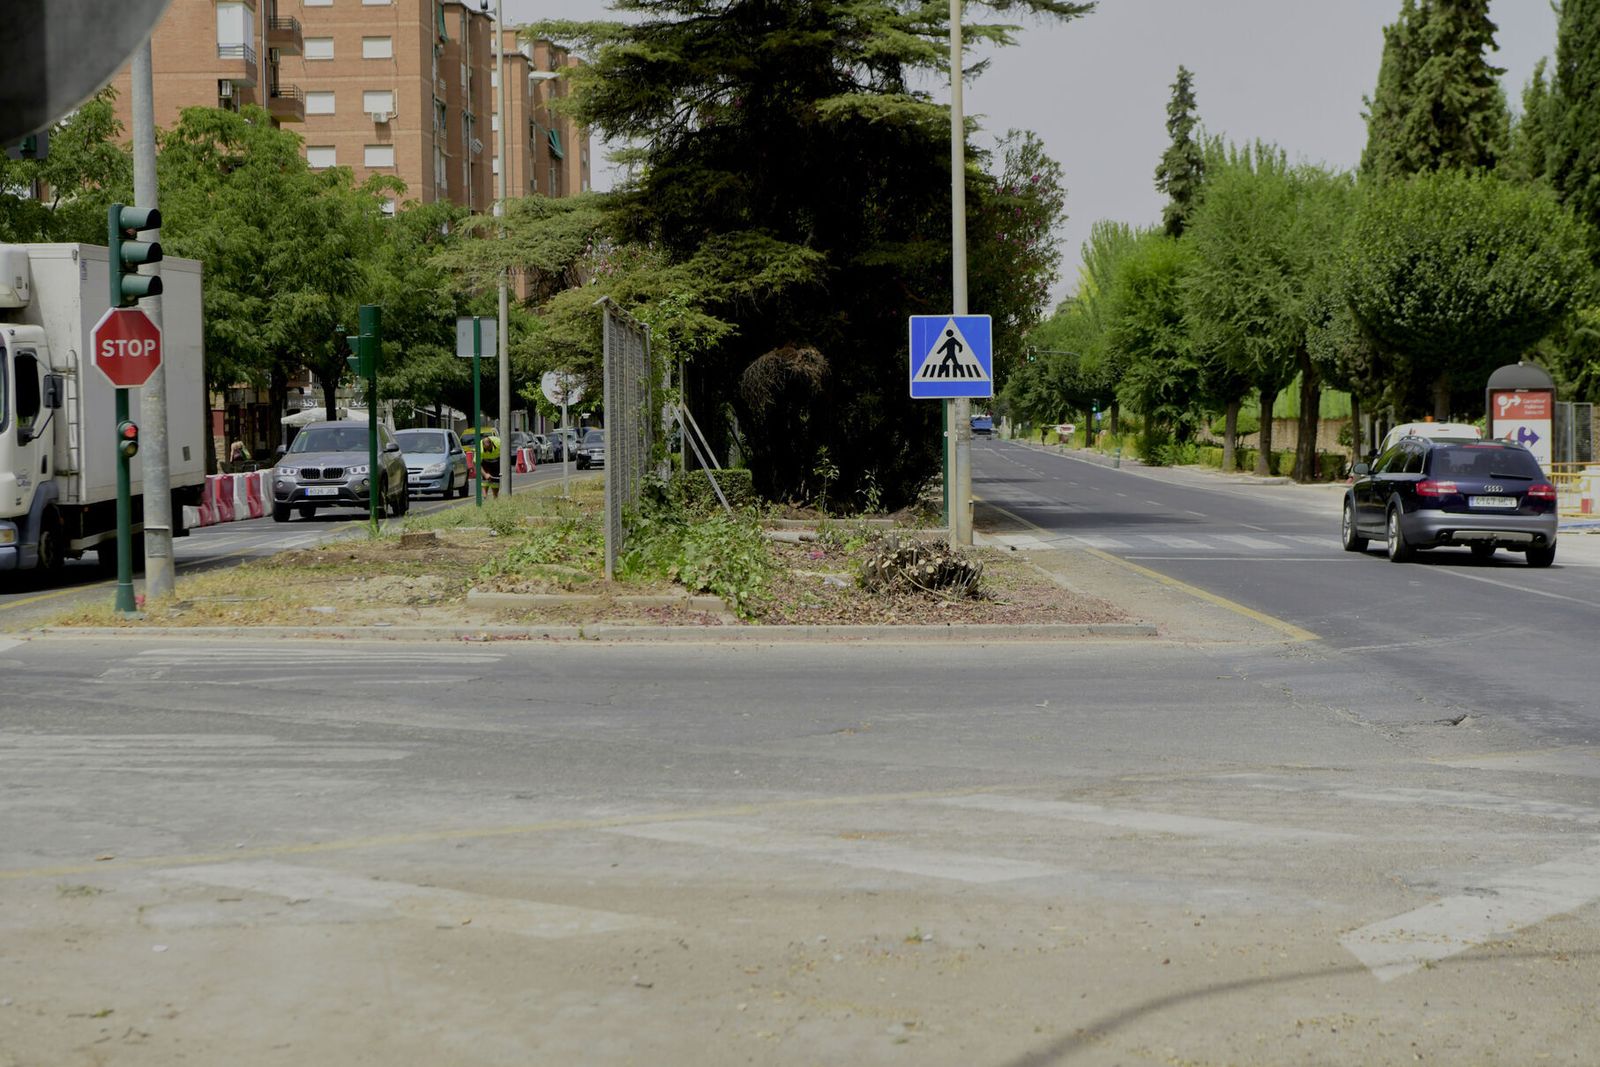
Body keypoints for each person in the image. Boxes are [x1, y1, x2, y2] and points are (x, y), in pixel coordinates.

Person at [478, 431, 502, 498]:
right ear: (483, 445)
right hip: (485, 462)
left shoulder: (498, 443)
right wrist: (485, 474)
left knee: (495, 483)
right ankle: (485, 498)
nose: (488, 451)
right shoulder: (479, 448)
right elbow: (476, 464)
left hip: (497, 461)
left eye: (489, 448)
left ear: (491, 443)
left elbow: (506, 455)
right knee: (485, 481)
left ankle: (495, 497)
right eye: (486, 449)